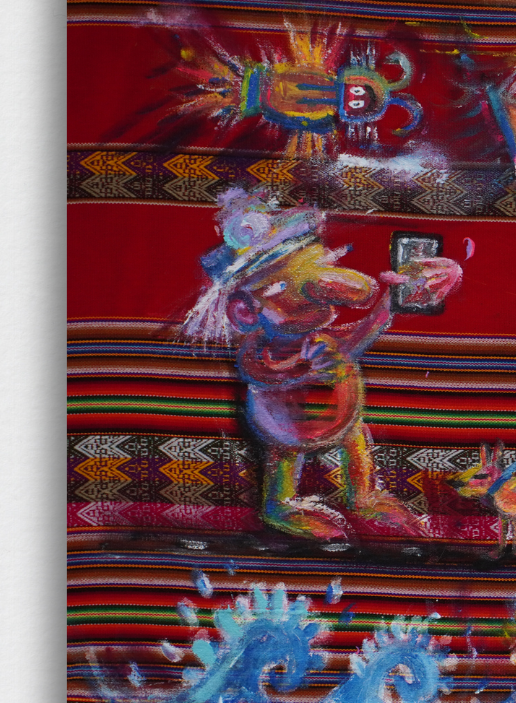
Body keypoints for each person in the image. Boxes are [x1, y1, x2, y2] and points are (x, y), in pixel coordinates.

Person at [183, 188, 461, 540]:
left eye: (316, 268)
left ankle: (363, 495)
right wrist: (303, 368)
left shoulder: (323, 339)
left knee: (354, 438)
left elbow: (358, 336)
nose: (316, 288)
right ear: (245, 311)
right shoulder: (260, 351)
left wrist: (390, 303)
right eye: (283, 284)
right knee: (285, 456)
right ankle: (279, 505)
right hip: (289, 427)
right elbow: (261, 374)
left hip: (341, 416)